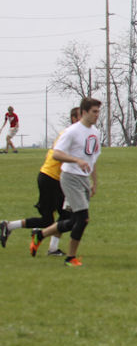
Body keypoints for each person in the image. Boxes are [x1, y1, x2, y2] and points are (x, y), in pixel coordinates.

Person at [29, 97, 102, 267]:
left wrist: (94, 182)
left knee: (73, 221)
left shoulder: (95, 132)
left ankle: (40, 235)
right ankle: (70, 258)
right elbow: (56, 154)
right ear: (84, 112)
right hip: (70, 178)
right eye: (94, 111)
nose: (97, 115)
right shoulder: (72, 132)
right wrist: (76, 160)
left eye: (98, 112)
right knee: (83, 219)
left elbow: (92, 159)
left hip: (83, 179)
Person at [1, 106, 80, 255]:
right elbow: (58, 155)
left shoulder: (72, 134)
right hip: (51, 178)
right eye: (81, 116)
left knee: (61, 217)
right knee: (55, 219)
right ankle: (14, 228)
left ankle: (12, 227)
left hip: (53, 178)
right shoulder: (70, 134)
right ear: (74, 118)